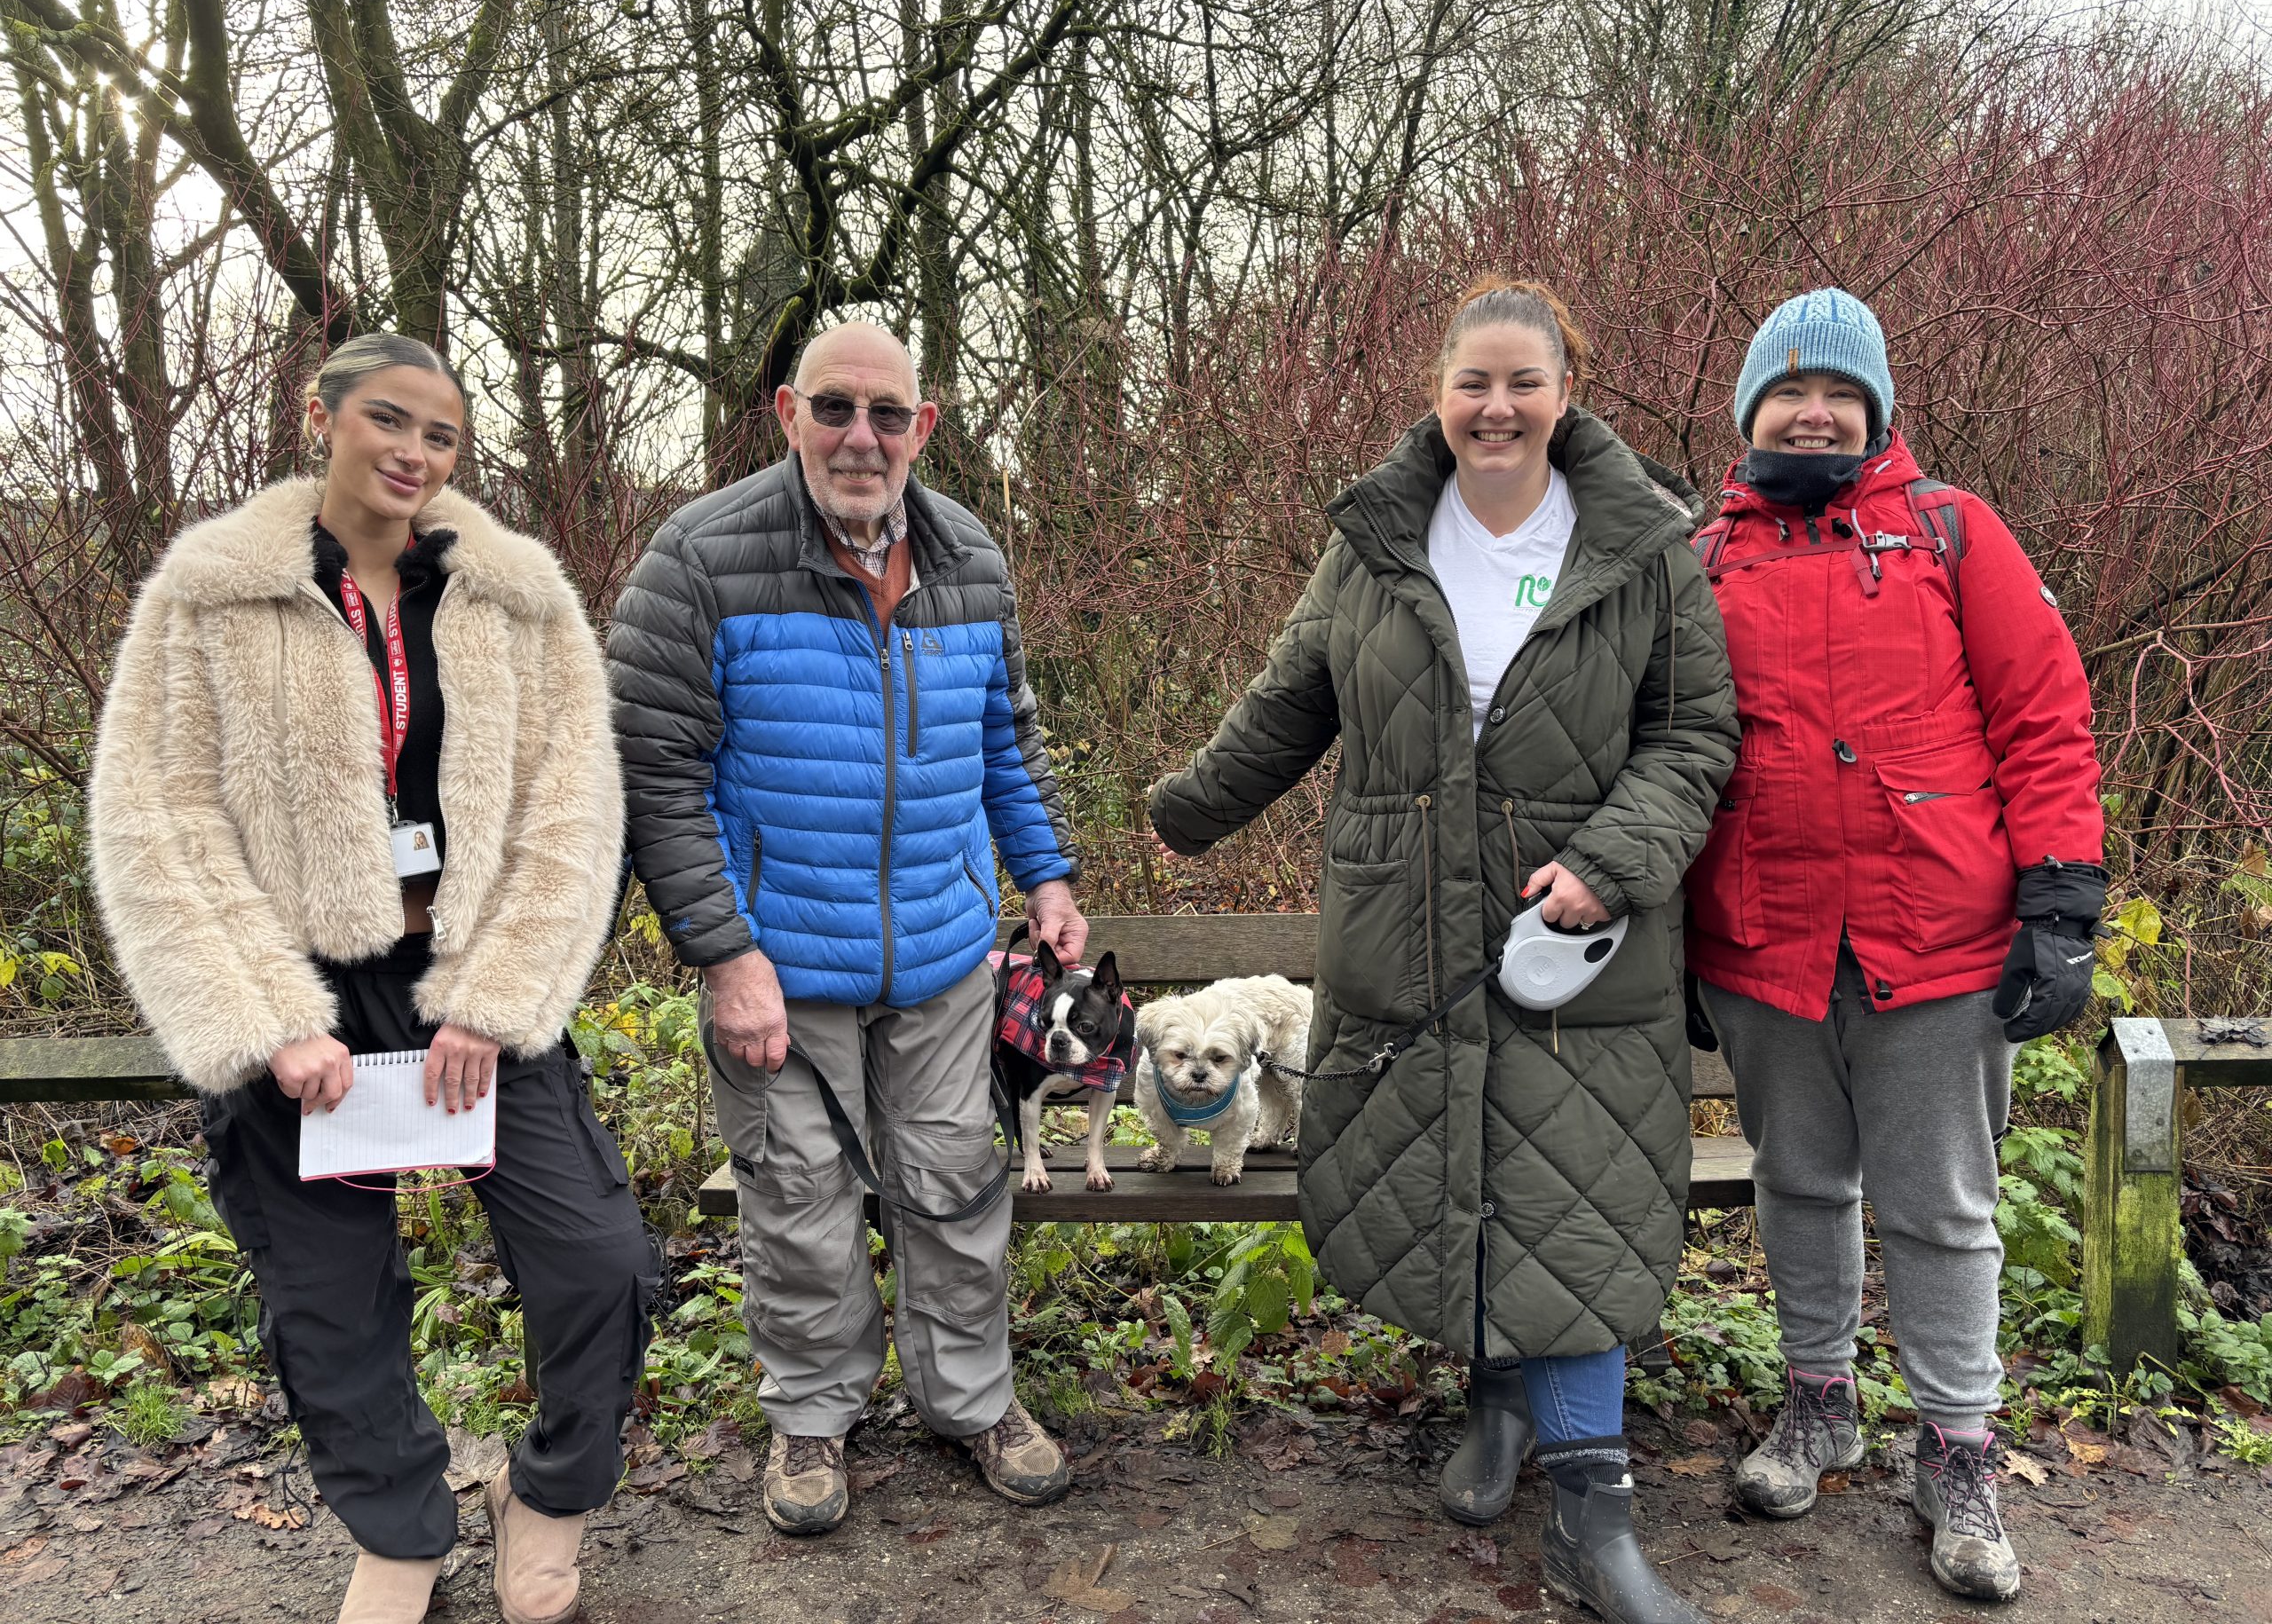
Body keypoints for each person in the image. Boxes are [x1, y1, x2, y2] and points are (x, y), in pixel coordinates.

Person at [1150, 280, 1737, 1624]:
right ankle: (1495, 1409)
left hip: (1570, 940)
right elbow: (1293, 698)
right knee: (1455, 1172)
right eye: (1474, 381)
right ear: (1438, 394)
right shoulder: (1374, 539)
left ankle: (1598, 1519)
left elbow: (1696, 734)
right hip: (1404, 929)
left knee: (1573, 1195)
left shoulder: (1643, 545)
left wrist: (1610, 864)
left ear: (1566, 391)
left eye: (1524, 381)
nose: (1497, 406)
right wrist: (1175, 813)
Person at [87, 334, 652, 1624]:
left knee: (599, 1260)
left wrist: (495, 1000)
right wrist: (269, 1022)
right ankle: (399, 1528)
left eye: (441, 435)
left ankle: (549, 1496)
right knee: (328, 1301)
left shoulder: (521, 600)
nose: (413, 452)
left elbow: (575, 813)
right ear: (322, 415)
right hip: (301, 993)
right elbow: (158, 819)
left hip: (469, 982)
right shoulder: (212, 595)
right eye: (388, 420)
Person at [607, 320, 1088, 1536]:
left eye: (887, 414)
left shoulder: (969, 555)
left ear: (925, 427)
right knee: (802, 1203)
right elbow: (652, 777)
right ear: (787, 414)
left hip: (939, 958)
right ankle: (813, 1419)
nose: (860, 437)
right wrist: (724, 955)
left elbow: (1005, 742)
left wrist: (1048, 880)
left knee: (952, 1189)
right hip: (780, 970)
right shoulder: (700, 558)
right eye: (834, 409)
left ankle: (970, 1401)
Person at [1684, 288, 2106, 1603]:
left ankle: (1959, 1452)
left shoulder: (1950, 532)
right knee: (1798, 1181)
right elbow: (1674, 752)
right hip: (1762, 939)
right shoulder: (1701, 560)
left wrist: (2060, 900)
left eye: (1840, 396)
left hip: (1938, 937)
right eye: (1789, 393)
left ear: (1874, 413)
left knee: (1943, 1208)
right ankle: (1818, 1404)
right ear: (1750, 410)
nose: (1814, 413)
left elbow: (2043, 716)